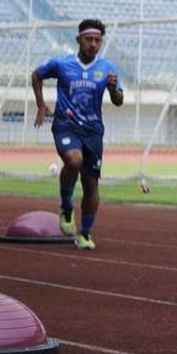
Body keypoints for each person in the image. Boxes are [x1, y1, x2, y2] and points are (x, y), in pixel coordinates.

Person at [32, 19, 124, 250]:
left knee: (91, 183)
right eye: (88, 39)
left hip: (93, 131)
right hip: (66, 125)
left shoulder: (108, 68)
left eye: (97, 40)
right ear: (78, 40)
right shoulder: (62, 64)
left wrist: (113, 89)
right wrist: (41, 105)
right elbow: (36, 75)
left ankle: (85, 233)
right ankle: (65, 205)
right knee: (74, 160)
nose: (93, 44)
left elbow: (118, 101)